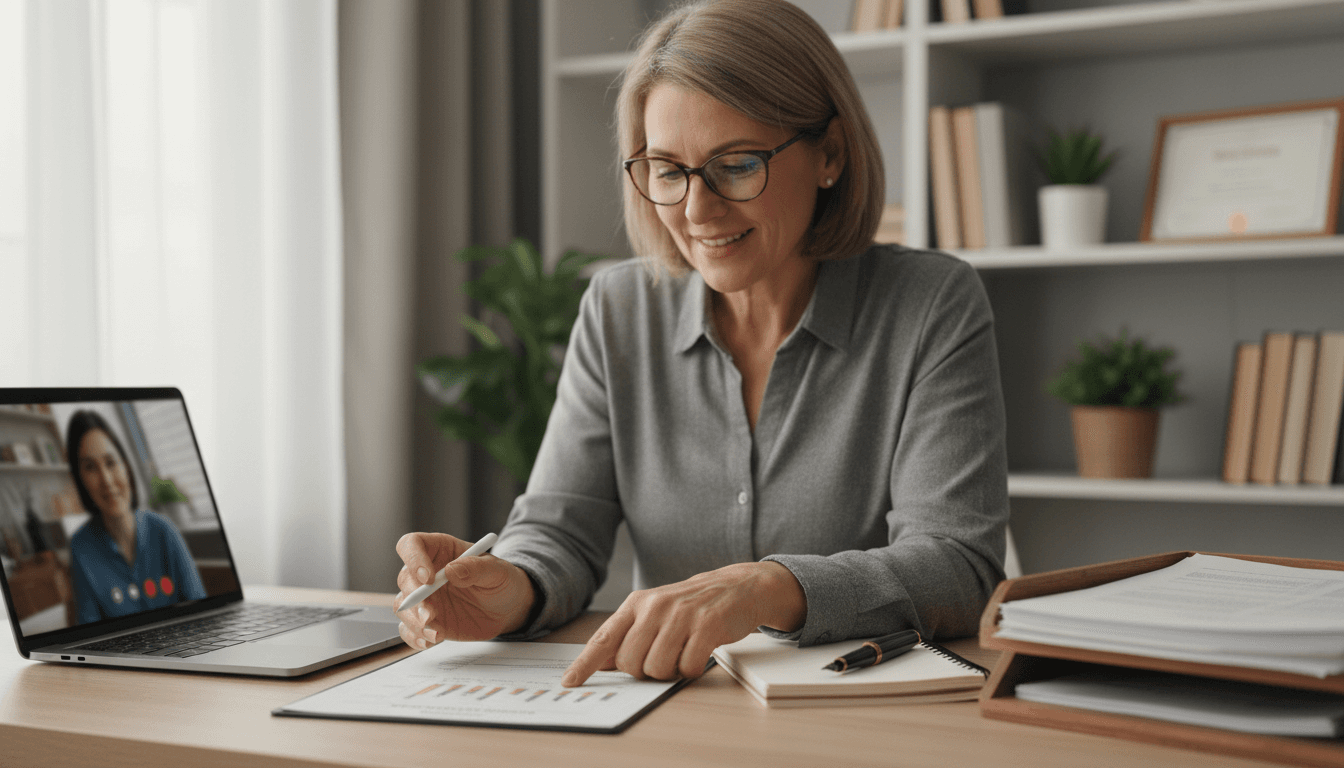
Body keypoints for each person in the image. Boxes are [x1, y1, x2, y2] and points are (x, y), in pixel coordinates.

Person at [394, 0, 1008, 687]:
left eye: (737, 165)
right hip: (671, 711)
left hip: (853, 718)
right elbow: (562, 529)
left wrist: (764, 589)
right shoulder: (618, 309)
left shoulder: (930, 304)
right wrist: (516, 587)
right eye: (666, 169)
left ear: (830, 154)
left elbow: (960, 565)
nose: (696, 210)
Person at [66, 409, 208, 624]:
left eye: (111, 462)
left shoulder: (164, 530)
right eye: (90, 467)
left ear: (126, 467)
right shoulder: (80, 548)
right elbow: (88, 632)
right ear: (81, 481)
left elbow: (201, 615)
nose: (106, 479)